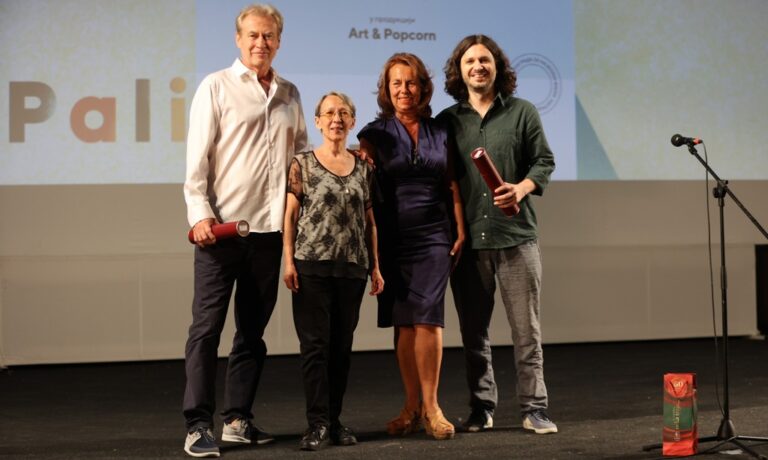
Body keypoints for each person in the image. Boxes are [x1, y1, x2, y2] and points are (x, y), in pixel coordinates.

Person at [182, 4, 308, 457]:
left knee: (252, 334)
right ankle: (197, 425)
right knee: (206, 330)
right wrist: (199, 215)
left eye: (269, 36)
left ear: (279, 41)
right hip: (221, 231)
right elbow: (197, 160)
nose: (261, 43)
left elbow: (300, 160)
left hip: (270, 234)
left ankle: (237, 420)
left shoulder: (290, 93)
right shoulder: (215, 86)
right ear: (238, 39)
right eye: (253, 35)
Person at [436, 34, 558, 435]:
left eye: (485, 60)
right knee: (474, 334)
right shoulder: (447, 122)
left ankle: (534, 408)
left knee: (527, 332)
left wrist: (521, 188)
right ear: (459, 71)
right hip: (470, 243)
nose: (478, 66)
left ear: (497, 67)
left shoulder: (522, 112)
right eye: (470, 61)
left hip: (517, 237)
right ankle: (481, 408)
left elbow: (544, 161)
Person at [358, 53, 465, 441]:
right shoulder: (374, 133)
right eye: (396, 83)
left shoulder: (441, 131)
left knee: (429, 317)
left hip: (435, 234)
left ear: (423, 87)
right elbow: (360, 179)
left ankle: (432, 408)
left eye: (411, 82)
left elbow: (451, 182)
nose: (404, 90)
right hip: (392, 237)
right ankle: (410, 407)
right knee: (404, 322)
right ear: (386, 90)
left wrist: (461, 227)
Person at [283, 92, 385, 451]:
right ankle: (317, 424)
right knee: (316, 349)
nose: (336, 119)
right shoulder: (303, 163)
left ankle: (335, 420)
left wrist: (375, 266)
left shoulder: (364, 167)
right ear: (318, 122)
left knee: (341, 349)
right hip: (311, 266)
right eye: (329, 113)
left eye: (343, 113)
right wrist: (288, 261)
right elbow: (290, 216)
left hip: (352, 269)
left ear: (352, 122)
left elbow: (370, 222)